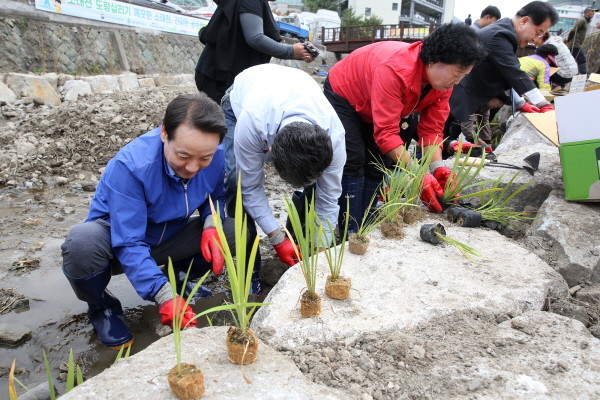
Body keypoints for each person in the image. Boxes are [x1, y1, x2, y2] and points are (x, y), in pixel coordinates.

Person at [61, 93, 259, 349]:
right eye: (184, 156)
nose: (193, 167)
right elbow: (129, 241)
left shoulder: (215, 153)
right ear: (165, 132)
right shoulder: (132, 167)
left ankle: (182, 275)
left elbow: (216, 196)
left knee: (235, 229)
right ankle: (102, 308)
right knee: (82, 244)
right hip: (118, 245)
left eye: (205, 158)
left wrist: (211, 223)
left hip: (171, 237)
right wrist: (163, 295)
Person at [322, 23, 485, 230]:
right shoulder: (396, 70)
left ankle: (366, 219)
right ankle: (348, 228)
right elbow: (387, 134)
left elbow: (432, 130)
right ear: (435, 60)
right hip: (345, 94)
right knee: (352, 158)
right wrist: (418, 175)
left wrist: (437, 168)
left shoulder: (443, 85)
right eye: (458, 73)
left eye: (464, 75)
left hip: (376, 107)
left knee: (377, 161)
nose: (459, 81)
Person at [222, 63, 345, 266]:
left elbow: (329, 198)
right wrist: (278, 239)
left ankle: (300, 240)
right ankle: (248, 267)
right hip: (241, 96)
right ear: (270, 153)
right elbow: (251, 187)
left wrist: (321, 252)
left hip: (289, 86)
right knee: (236, 180)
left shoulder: (336, 138)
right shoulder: (252, 122)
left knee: (316, 190)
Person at [446, 1, 559, 154]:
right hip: (459, 95)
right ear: (524, 21)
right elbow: (514, 72)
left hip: (468, 96)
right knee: (443, 140)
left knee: (454, 138)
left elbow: (505, 73)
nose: (535, 39)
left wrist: (521, 104)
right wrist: (543, 104)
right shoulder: (499, 35)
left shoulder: (506, 34)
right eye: (537, 32)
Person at [194, 0, 316, 103]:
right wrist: (291, 51)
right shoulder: (252, 1)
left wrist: (300, 52)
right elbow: (255, 38)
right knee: (224, 125)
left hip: (220, 75)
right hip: (218, 79)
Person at [461, 5, 502, 147]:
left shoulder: (485, 104)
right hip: (455, 108)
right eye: (499, 103)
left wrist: (488, 143)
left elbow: (484, 121)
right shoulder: (473, 34)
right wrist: (482, 145)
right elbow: (466, 128)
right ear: (487, 17)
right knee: (447, 133)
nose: (498, 106)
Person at [566, 7, 597, 74]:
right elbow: (573, 30)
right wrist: (569, 40)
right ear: (586, 12)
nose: (593, 13)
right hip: (575, 44)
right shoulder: (582, 20)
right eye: (592, 11)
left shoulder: (585, 21)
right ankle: (584, 75)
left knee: (571, 61)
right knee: (581, 60)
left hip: (577, 44)